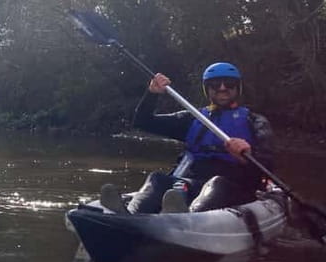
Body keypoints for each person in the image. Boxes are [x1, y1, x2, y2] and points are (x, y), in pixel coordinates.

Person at [101, 62, 274, 214]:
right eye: (215, 84)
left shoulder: (255, 121)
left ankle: (185, 218)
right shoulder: (192, 118)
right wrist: (152, 94)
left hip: (234, 188)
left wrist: (249, 154)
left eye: (229, 84)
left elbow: (269, 164)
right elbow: (143, 122)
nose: (222, 88)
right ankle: (129, 215)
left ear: (238, 88)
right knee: (158, 179)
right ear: (207, 89)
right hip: (192, 184)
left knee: (216, 184)